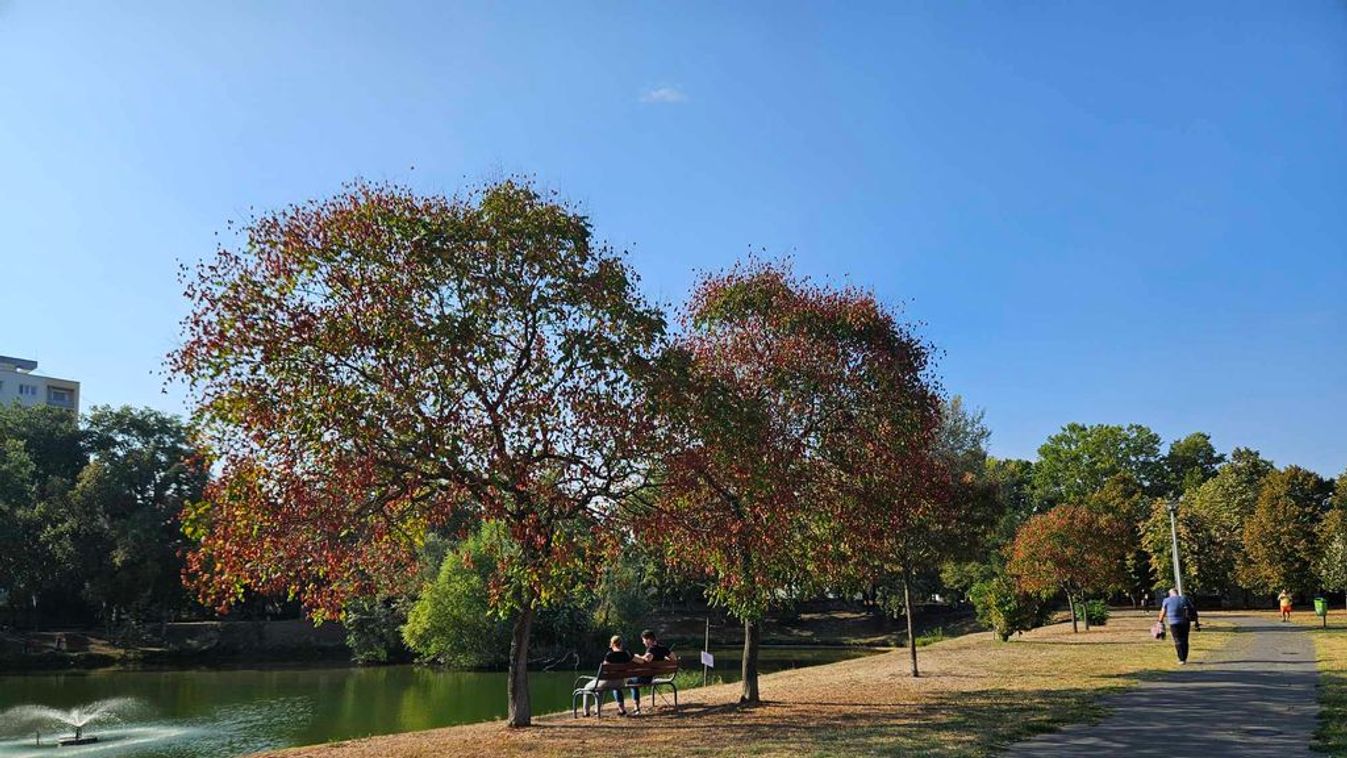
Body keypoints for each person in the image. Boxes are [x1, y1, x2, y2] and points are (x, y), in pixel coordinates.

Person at [627, 629, 678, 712]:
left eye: (643, 640)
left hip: (647, 678)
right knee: (634, 679)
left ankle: (636, 707)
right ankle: (636, 707)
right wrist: (664, 658)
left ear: (648, 640)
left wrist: (638, 656)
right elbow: (674, 658)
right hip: (653, 675)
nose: (643, 642)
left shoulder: (651, 649)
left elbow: (647, 659)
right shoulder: (663, 648)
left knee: (630, 681)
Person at [588, 634, 632, 716]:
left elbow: (604, 670)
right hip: (621, 682)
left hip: (609, 681)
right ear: (621, 644)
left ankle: (587, 712)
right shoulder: (626, 654)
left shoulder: (610, 655)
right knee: (600, 687)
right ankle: (598, 711)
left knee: (588, 687)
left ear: (612, 644)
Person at [1158, 588, 1198, 664]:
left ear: (1170, 594)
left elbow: (1163, 612)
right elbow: (1192, 609)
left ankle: (1181, 659)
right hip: (1185, 622)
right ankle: (1185, 657)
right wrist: (1196, 622)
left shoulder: (1166, 600)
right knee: (1185, 640)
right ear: (1177, 593)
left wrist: (1160, 621)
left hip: (1173, 623)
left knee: (1177, 640)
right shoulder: (1184, 599)